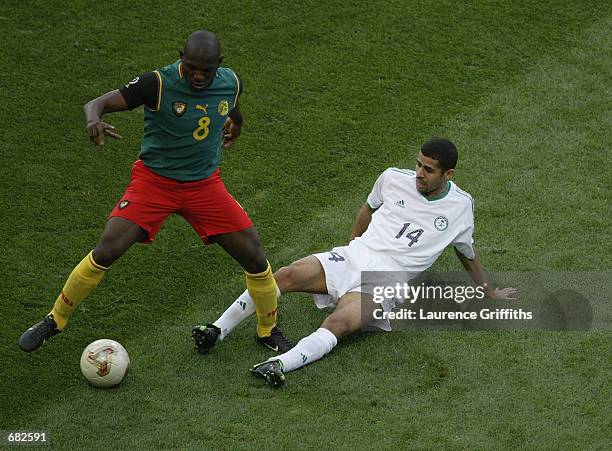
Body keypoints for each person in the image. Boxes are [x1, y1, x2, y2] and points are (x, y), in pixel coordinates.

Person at [19, 30, 292, 354]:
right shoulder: (157, 84)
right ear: (181, 58)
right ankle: (55, 320)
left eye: (206, 70)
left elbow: (229, 106)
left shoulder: (230, 82)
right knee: (107, 248)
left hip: (203, 185)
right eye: (191, 68)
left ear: (218, 65)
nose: (198, 76)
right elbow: (98, 103)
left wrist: (237, 124)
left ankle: (267, 330)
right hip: (154, 183)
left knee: (254, 255)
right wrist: (93, 120)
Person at [193, 138, 516, 387]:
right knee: (285, 275)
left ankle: (281, 365)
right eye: (418, 165)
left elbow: (466, 253)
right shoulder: (392, 178)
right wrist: (351, 248)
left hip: (387, 281)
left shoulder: (460, 207)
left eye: (428, 170)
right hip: (354, 256)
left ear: (448, 174)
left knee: (339, 323)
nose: (419, 173)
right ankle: (216, 330)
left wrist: (488, 290)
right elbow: (367, 210)